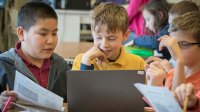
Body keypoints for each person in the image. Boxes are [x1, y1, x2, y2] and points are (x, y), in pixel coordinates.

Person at [0, 1, 70, 110]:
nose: (51, 40)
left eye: (54, 33)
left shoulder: (61, 65)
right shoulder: (3, 64)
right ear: (21, 33)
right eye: (43, 34)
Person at [72, 2, 145, 70]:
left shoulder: (139, 64)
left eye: (111, 38)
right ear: (92, 33)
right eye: (98, 38)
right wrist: (85, 65)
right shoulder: (82, 60)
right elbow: (80, 84)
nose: (104, 45)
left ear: (125, 35)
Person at [145, 1, 200, 90]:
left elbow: (177, 100)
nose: (175, 49)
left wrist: (179, 61)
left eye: (183, 44)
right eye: (174, 44)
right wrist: (154, 84)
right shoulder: (172, 73)